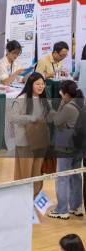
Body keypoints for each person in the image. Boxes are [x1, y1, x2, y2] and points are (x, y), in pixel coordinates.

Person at [47, 80, 84, 219]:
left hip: (66, 146)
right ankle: (76, 206)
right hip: (78, 146)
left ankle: (62, 209)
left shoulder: (68, 107)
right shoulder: (81, 102)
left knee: (62, 177)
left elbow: (56, 120)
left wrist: (55, 107)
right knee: (76, 175)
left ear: (65, 93)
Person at [11, 72, 51, 195]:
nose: (41, 86)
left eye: (43, 84)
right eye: (37, 84)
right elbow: (13, 118)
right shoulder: (21, 99)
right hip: (25, 141)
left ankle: (34, 196)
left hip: (40, 141)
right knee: (24, 172)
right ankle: (22, 198)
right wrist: (30, 118)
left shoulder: (44, 100)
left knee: (37, 171)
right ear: (30, 84)